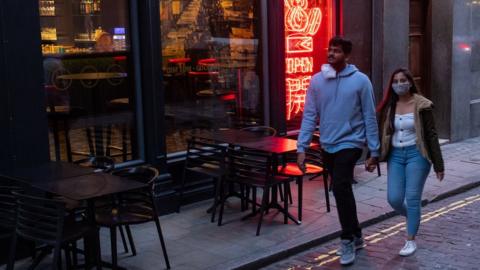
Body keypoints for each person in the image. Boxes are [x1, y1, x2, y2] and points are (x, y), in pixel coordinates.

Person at [296, 36, 380, 265]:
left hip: (351, 143)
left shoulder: (361, 81)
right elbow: (309, 115)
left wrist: (374, 150)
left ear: (347, 55)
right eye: (330, 49)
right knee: (342, 190)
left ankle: (346, 240)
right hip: (328, 144)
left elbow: (369, 116)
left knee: (341, 185)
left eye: (337, 51)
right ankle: (357, 232)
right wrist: (301, 147)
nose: (331, 53)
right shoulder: (316, 81)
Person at [377, 68, 444, 256]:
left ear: (410, 82)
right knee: (394, 199)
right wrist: (373, 156)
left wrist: (439, 165)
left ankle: (410, 240)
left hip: (417, 155)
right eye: (396, 81)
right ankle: (413, 216)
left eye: (403, 80)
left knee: (412, 197)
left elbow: (431, 135)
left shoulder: (422, 105)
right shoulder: (389, 105)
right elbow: (381, 133)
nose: (399, 84)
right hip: (396, 156)